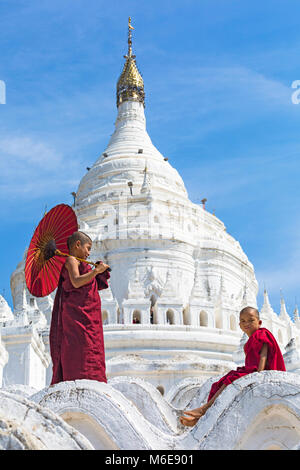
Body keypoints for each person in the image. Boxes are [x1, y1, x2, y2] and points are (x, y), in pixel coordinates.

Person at [180, 306, 286, 427]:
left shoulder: (262, 334)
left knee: (230, 379)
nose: (247, 323)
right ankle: (201, 418)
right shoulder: (249, 341)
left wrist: (259, 373)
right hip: (250, 370)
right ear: (240, 325)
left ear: (259, 322)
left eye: (251, 320)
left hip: (257, 371)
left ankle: (203, 409)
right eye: (243, 321)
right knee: (219, 384)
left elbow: (263, 355)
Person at [49, 231, 111, 385]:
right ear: (77, 245)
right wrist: (96, 271)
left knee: (92, 349)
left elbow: (88, 283)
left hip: (89, 320)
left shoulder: (82, 264)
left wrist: (95, 272)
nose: (89, 253)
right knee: (80, 350)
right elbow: (76, 282)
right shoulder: (71, 260)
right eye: (88, 248)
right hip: (76, 319)